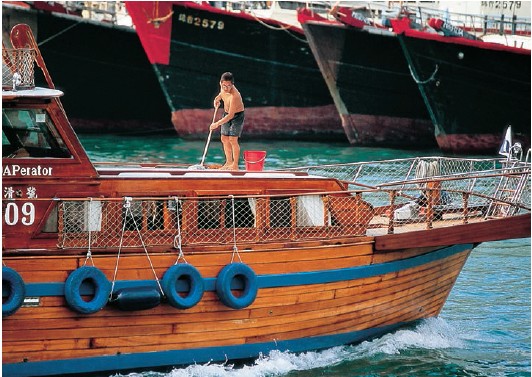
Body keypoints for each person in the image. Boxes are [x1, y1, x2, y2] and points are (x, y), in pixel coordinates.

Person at [210, 72, 245, 170]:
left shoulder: (235, 95)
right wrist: (216, 99)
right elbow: (221, 95)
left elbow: (231, 115)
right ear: (221, 83)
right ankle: (228, 162)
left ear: (232, 85)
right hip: (226, 113)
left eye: (229, 86)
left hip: (236, 115)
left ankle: (235, 165)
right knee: (224, 139)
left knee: (232, 140)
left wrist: (217, 124)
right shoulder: (222, 86)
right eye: (224, 85)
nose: (226, 88)